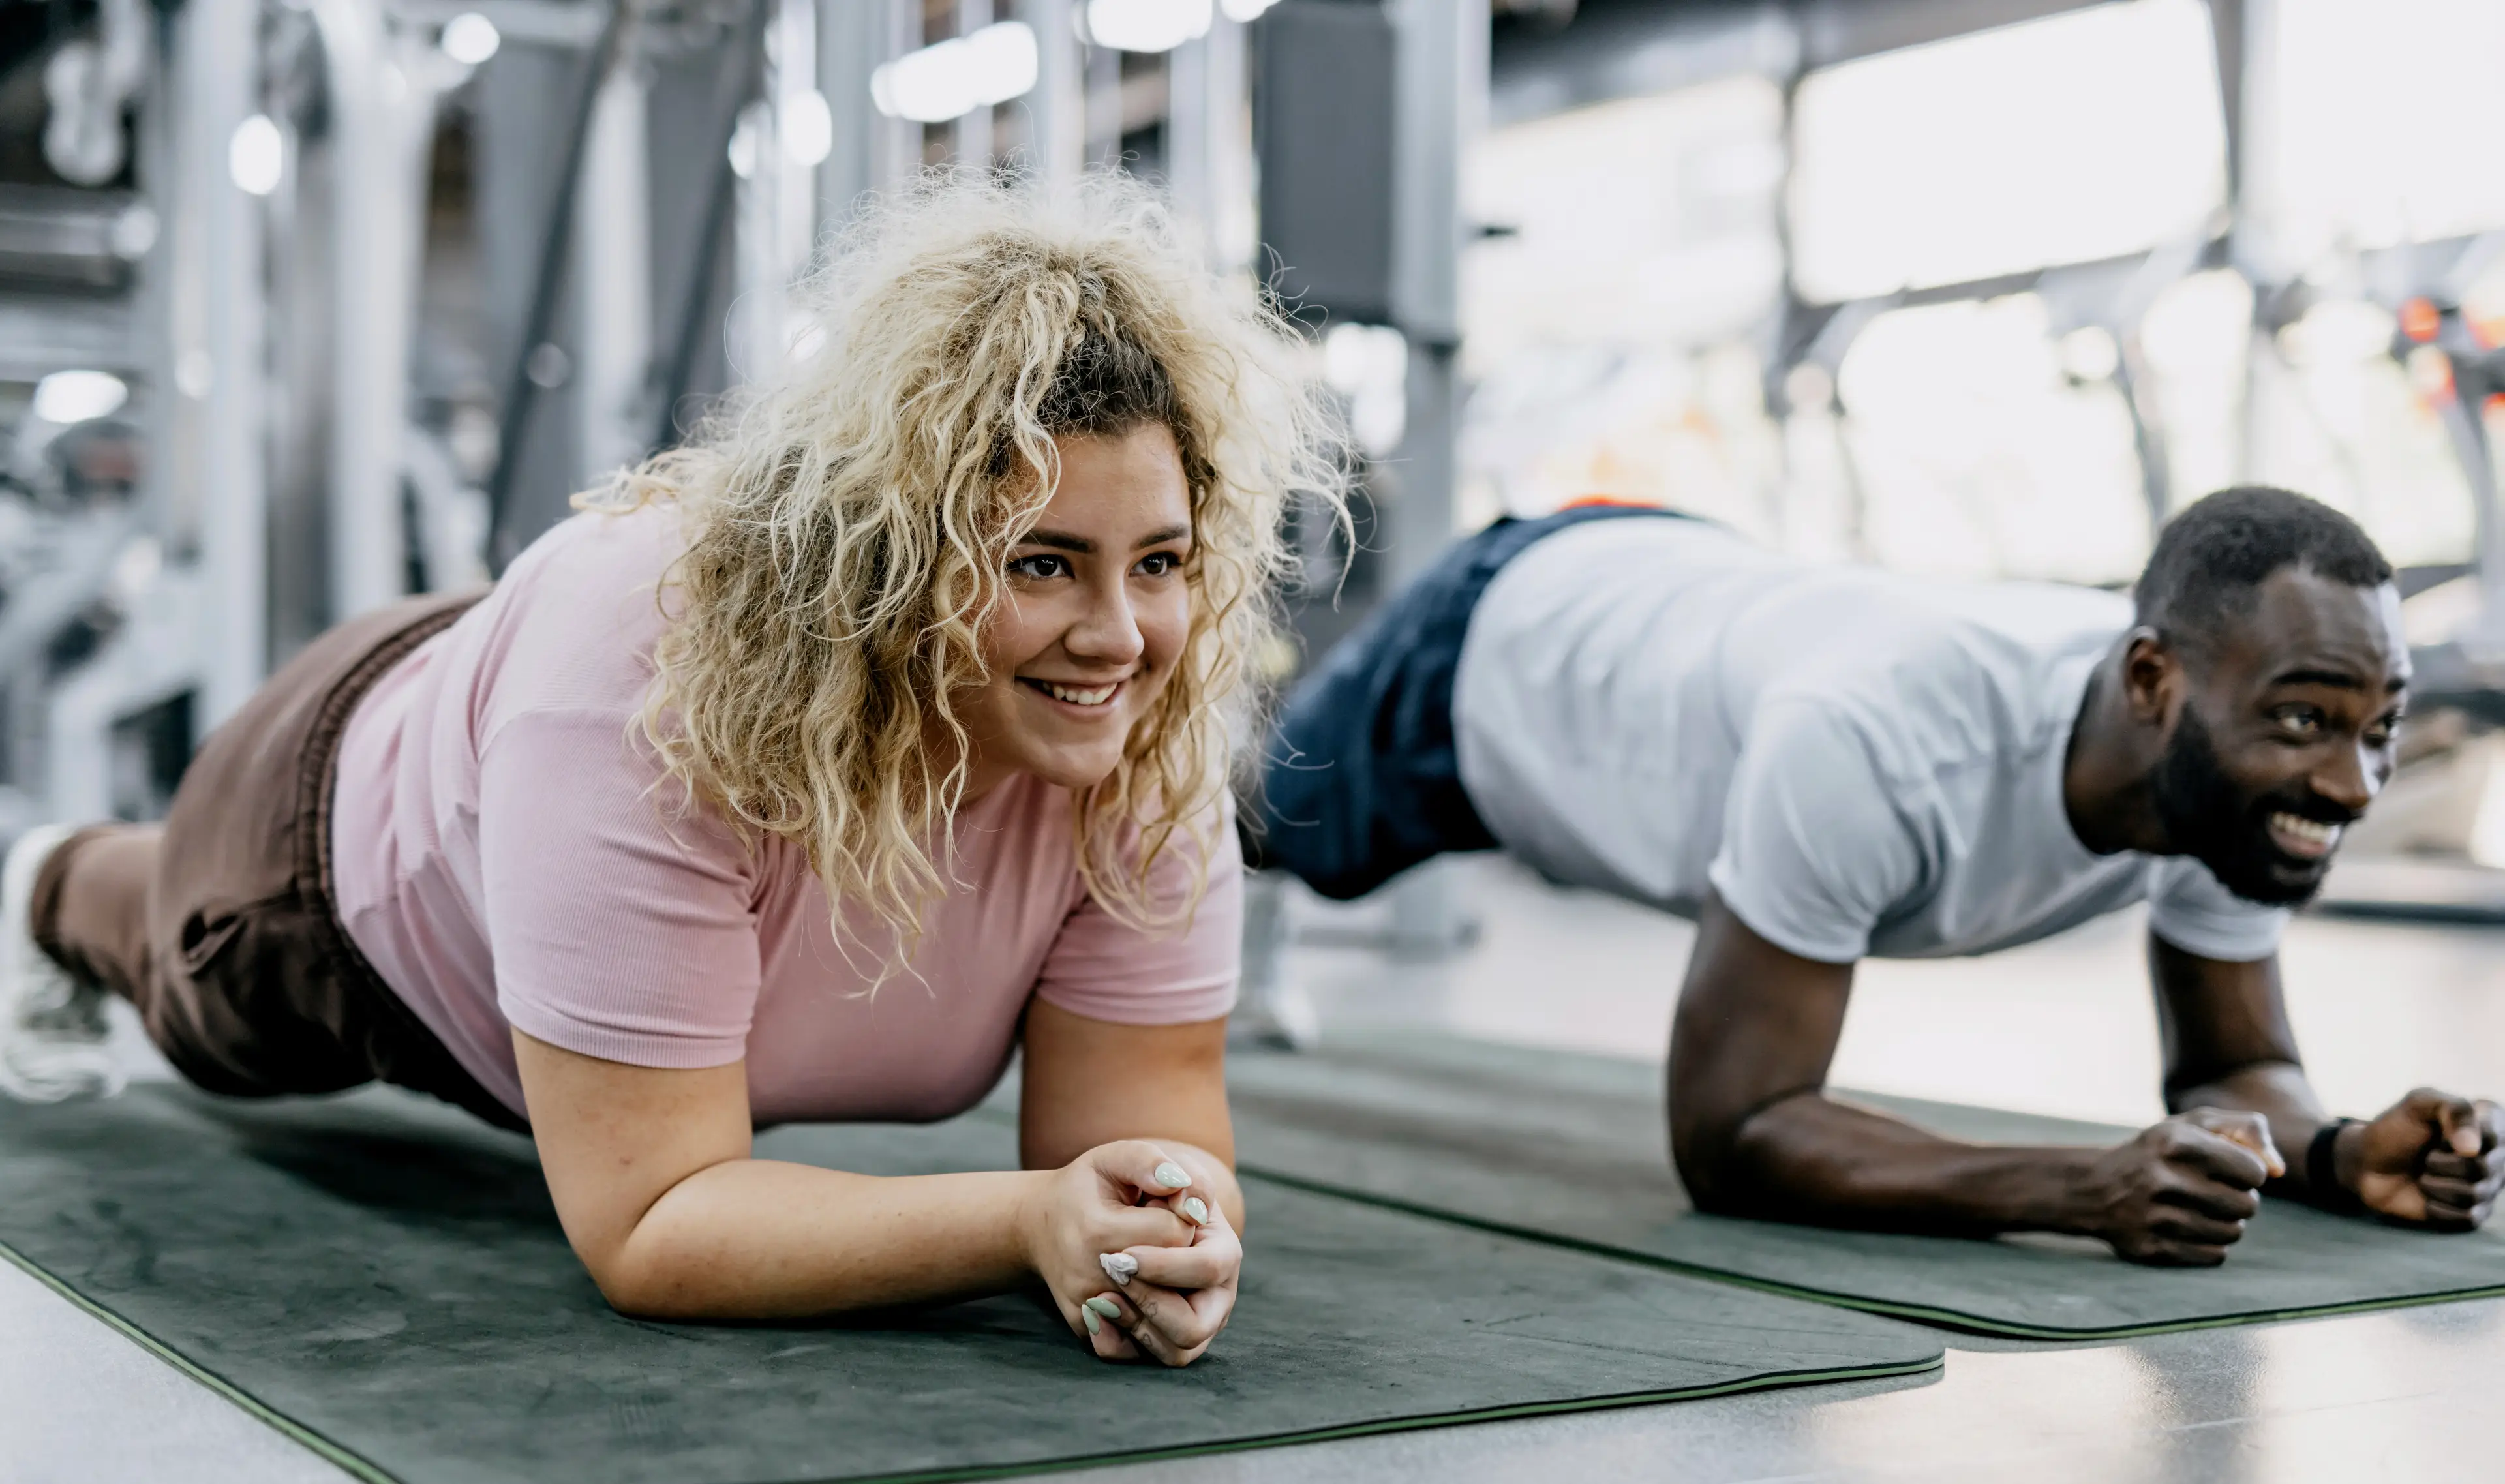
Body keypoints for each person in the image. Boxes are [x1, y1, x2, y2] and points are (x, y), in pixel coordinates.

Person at [0, 174, 1344, 1363]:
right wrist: (1023, 1224)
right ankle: (51, 880)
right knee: (186, 985)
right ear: (887, 560)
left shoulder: (1133, 735)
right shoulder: (638, 707)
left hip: (534, 720)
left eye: (1158, 562)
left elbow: (1143, 1135)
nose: (1120, 636)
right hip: (321, 851)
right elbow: (652, 1222)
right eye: (1039, 563)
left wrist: (1163, 1238)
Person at [1245, 487, 2505, 1265]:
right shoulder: (1881, 737)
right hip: (1511, 636)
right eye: (2306, 725)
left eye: (2380, 725)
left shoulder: (2230, 784)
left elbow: (2235, 1069)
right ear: (2149, 685)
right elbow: (1733, 1132)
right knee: (1242, 821)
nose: (2352, 784)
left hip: (1696, 591)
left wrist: (2338, 1154)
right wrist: (2082, 1186)